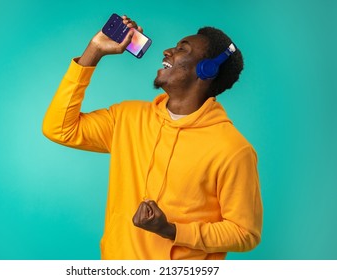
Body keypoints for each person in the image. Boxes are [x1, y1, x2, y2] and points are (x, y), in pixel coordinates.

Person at [42, 15, 263, 260]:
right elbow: (59, 128)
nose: (168, 51)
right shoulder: (127, 117)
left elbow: (245, 233)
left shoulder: (232, 149)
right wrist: (94, 51)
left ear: (206, 69)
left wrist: (171, 230)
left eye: (182, 49)